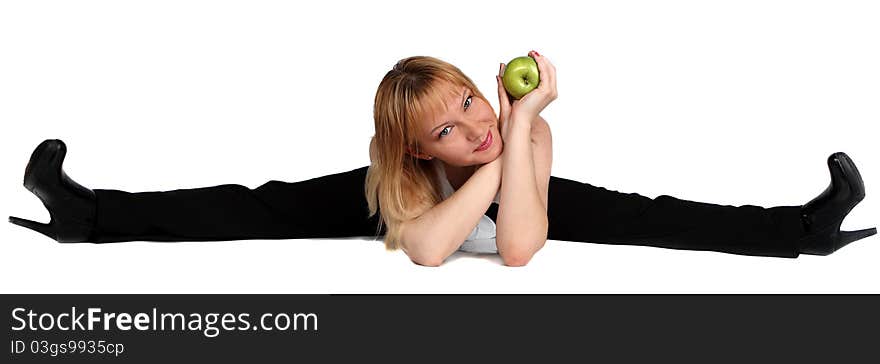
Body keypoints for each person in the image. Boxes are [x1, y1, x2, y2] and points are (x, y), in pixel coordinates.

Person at [9, 51, 877, 267]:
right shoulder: (399, 179)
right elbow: (424, 247)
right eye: (449, 129)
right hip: (413, 201)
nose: (473, 125)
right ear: (417, 150)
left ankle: (805, 229)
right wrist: (481, 170)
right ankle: (84, 215)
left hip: (525, 199)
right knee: (253, 204)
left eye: (470, 100)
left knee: (653, 215)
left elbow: (519, 248)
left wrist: (519, 128)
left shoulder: (522, 132)